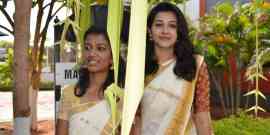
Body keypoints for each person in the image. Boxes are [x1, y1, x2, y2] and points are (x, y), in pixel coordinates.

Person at [141, 2, 213, 135]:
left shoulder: (195, 65)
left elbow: (202, 115)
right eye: (159, 25)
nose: (165, 31)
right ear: (149, 30)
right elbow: (134, 116)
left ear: (178, 31)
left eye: (172, 26)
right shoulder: (138, 67)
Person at [56, 26, 125, 135]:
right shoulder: (69, 93)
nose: (92, 53)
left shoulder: (121, 98)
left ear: (112, 58)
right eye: (87, 48)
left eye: (100, 48)